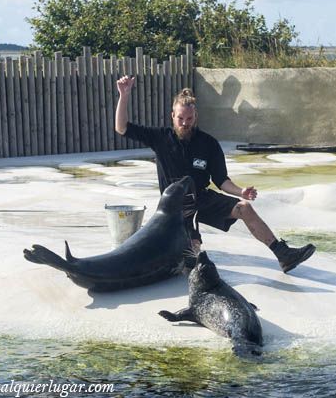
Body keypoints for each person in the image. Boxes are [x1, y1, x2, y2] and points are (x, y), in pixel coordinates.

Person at [114, 75, 316, 274]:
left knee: (244, 208)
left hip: (202, 198)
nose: (184, 123)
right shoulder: (160, 138)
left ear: (196, 117)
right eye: (180, 118)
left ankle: (283, 254)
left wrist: (241, 192)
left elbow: (221, 180)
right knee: (192, 257)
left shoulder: (208, 143)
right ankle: (185, 248)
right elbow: (121, 128)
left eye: (189, 119)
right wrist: (124, 95)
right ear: (172, 116)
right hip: (176, 206)